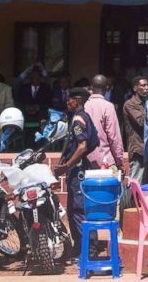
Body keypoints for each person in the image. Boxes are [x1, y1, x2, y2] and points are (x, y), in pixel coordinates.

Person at [55, 87, 98, 261]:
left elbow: (82, 146)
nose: (68, 102)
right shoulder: (79, 117)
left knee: (80, 210)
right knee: (73, 209)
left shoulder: (79, 119)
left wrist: (66, 166)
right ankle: (79, 248)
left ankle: (90, 250)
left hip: (78, 169)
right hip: (77, 169)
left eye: (70, 99)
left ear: (78, 100)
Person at [84, 74, 125, 171]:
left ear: (91, 88)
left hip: (85, 160)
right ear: (107, 88)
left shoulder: (84, 105)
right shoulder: (108, 106)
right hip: (105, 160)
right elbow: (114, 137)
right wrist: (119, 161)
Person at [123, 76, 148, 184]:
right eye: (143, 85)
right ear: (135, 88)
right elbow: (141, 122)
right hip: (138, 149)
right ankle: (131, 201)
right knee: (136, 182)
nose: (146, 88)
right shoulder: (130, 104)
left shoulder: (146, 103)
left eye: (147, 85)